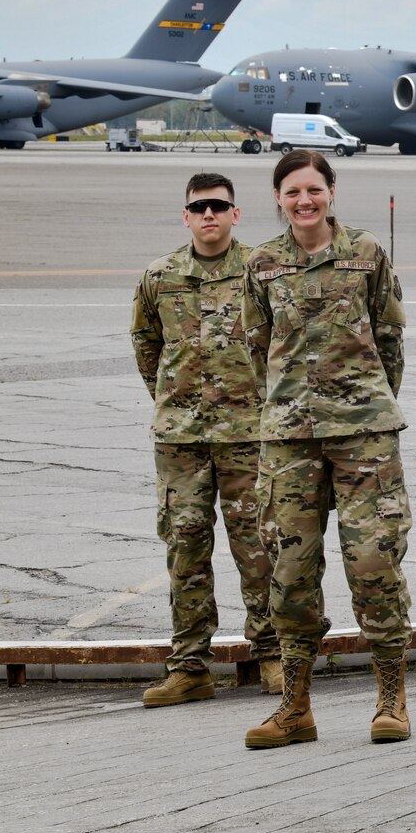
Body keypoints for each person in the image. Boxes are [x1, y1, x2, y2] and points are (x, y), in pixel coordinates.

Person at [242, 150, 415, 748]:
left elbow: (390, 337)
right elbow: (255, 345)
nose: (304, 201)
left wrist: (368, 402)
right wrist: (287, 405)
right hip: (288, 438)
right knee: (288, 573)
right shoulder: (262, 264)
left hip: (364, 433)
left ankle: (391, 694)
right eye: (292, 192)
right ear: (278, 199)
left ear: (331, 191)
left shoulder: (366, 254)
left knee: (373, 564)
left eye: (313, 190)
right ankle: (295, 706)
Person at [130, 173, 279, 707]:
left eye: (219, 205)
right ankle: (190, 666)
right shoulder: (160, 276)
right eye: (199, 207)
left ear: (236, 214)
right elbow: (148, 345)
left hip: (248, 433)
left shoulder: (260, 271)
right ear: (186, 215)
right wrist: (174, 401)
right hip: (181, 439)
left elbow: (280, 342)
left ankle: (271, 656)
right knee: (185, 548)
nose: (209, 214)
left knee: (257, 545)